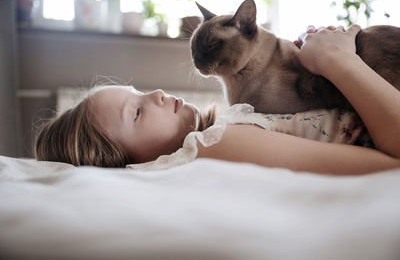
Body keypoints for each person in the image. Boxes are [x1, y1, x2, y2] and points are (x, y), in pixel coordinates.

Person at [34, 25, 400, 175]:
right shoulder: (215, 143)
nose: (158, 94)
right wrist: (338, 61)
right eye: (137, 112)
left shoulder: (225, 130)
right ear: (123, 162)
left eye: (139, 92)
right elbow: (387, 162)